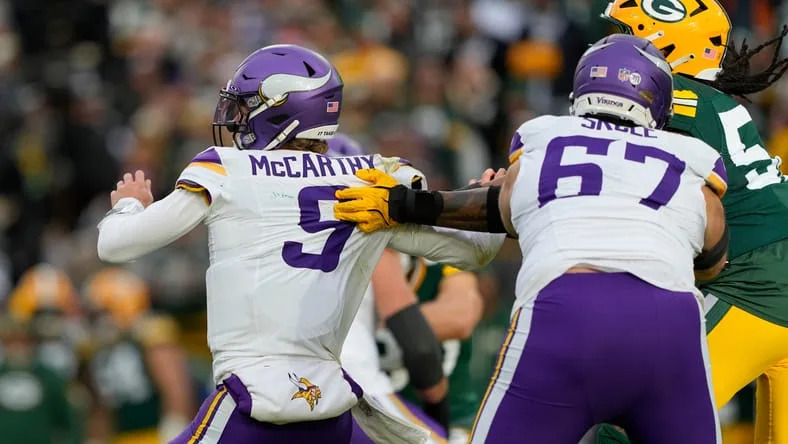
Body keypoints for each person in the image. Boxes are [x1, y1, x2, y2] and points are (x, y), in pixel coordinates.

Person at [96, 44, 503, 444]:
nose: (237, 118)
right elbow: (474, 251)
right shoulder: (371, 178)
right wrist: (484, 209)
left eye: (248, 105)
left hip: (251, 403)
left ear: (282, 109)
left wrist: (128, 204)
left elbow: (115, 246)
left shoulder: (226, 168)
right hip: (332, 409)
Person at [334, 34, 729, 443]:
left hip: (567, 311)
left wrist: (402, 204)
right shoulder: (693, 162)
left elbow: (493, 209)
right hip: (669, 323)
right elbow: (714, 259)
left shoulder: (545, 139)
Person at [601, 1, 788, 442]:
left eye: (626, 34)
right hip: (772, 270)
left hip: (758, 282)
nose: (608, 48)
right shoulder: (713, 102)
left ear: (666, 44)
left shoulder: (672, 99)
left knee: (629, 421)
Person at [83, 267, 195, 444]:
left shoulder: (151, 337)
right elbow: (101, 406)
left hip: (155, 434)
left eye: (103, 313)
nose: (98, 321)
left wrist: (175, 428)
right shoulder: (98, 350)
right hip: (121, 436)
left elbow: (177, 390)